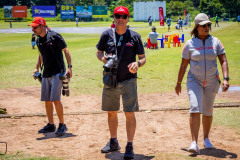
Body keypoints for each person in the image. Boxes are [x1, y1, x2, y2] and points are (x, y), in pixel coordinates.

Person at [175, 13, 229, 154]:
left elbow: (223, 60)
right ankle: (194, 142)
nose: (207, 27)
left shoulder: (216, 42)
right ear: (197, 27)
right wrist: (179, 82)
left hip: (212, 81)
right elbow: (183, 65)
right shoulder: (189, 44)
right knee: (195, 108)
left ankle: (206, 138)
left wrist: (226, 78)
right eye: (204, 25)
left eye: (208, 25)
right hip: (194, 80)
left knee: (208, 111)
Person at [96, 6, 146, 159]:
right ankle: (113, 141)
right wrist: (103, 58)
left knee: (129, 113)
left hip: (129, 80)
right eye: (118, 16)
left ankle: (129, 145)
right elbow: (99, 52)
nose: (120, 19)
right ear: (114, 17)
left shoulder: (134, 37)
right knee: (111, 112)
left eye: (124, 16)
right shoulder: (106, 35)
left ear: (128, 18)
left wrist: (137, 64)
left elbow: (143, 58)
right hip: (110, 79)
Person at [28, 17, 72, 136]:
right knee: (47, 100)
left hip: (58, 72)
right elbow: (41, 55)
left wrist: (69, 67)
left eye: (35, 27)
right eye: (32, 27)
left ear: (42, 26)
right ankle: (51, 125)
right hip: (46, 73)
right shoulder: (38, 40)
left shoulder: (55, 36)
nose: (33, 29)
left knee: (55, 99)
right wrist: (36, 68)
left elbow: (66, 50)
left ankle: (62, 124)